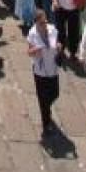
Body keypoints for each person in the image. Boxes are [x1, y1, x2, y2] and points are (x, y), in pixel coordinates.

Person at [27, 8, 62, 139]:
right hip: (40, 71)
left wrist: (59, 46)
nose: (44, 24)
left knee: (55, 93)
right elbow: (29, 52)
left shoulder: (52, 29)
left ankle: (46, 109)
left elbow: (57, 43)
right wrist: (36, 49)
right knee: (43, 100)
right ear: (36, 23)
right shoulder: (32, 34)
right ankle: (46, 124)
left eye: (45, 21)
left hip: (52, 68)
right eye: (41, 22)